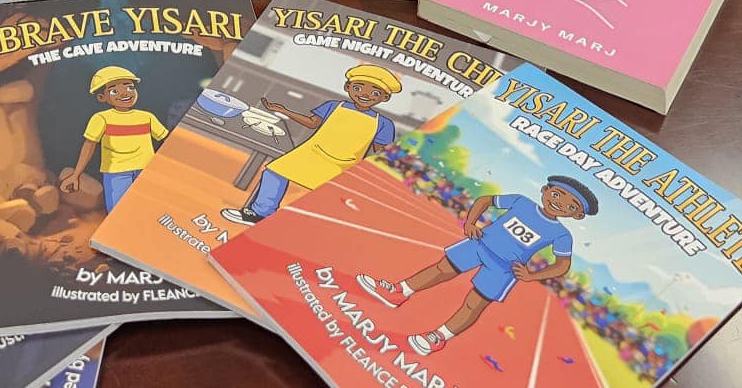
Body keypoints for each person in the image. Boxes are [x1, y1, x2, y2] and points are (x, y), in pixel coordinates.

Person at [355, 176, 598, 355]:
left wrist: (531, 275)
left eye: (571, 206)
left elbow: (562, 264)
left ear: (577, 215)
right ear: (545, 190)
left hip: (504, 268)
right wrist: (471, 223)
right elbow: (485, 200)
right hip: (480, 243)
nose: (559, 204)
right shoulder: (521, 202)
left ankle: (439, 336)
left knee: (474, 304)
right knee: (441, 269)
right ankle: (400, 291)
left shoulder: (561, 234)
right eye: (557, 195)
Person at [220, 64, 401, 226]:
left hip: (342, 166)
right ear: (348, 87)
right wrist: (284, 111)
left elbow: (381, 153)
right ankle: (260, 214)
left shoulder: (383, 123)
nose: (365, 95)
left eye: (375, 93)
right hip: (311, 153)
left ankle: (310, 229)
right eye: (358, 88)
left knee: (330, 198)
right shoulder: (334, 106)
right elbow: (312, 122)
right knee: (274, 172)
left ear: (385, 97)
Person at [60, 66, 167, 212]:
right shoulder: (101, 118)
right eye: (114, 91)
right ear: (102, 97)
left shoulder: (147, 117)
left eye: (130, 88)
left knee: (150, 212)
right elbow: (89, 145)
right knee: (119, 213)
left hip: (147, 171)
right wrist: (76, 175)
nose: (125, 93)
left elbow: (168, 141)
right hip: (117, 174)